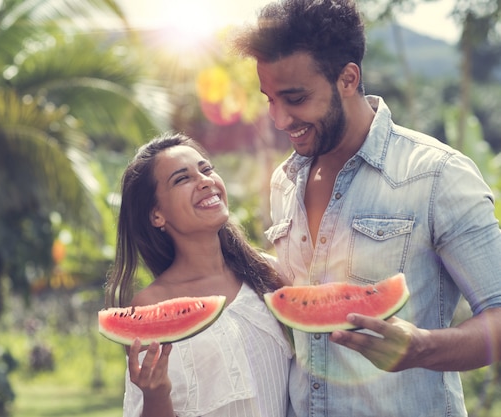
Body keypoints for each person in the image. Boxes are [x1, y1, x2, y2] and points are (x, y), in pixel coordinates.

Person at [231, 0, 501, 416]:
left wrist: (422, 349)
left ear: (348, 78)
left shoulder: (437, 175)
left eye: (295, 98)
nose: (280, 119)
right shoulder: (284, 181)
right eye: (268, 99)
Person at [104, 132, 293, 417]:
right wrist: (155, 395)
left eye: (206, 169)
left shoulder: (269, 272)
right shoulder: (150, 306)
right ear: (157, 215)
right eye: (182, 179)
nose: (205, 181)